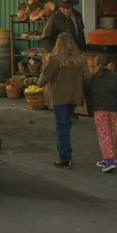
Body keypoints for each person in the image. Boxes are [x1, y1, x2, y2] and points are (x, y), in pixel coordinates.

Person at [37, 32, 88, 169]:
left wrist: (39, 84)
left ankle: (65, 157)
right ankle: (64, 153)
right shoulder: (80, 59)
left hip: (60, 96)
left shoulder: (55, 59)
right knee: (66, 124)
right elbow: (87, 77)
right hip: (74, 96)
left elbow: (45, 76)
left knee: (62, 126)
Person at [84, 54, 117, 173]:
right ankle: (107, 157)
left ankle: (110, 160)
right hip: (113, 109)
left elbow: (86, 91)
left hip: (99, 109)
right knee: (111, 133)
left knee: (104, 135)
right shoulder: (116, 77)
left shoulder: (93, 78)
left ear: (97, 64)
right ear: (109, 64)